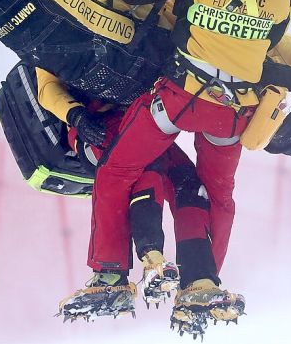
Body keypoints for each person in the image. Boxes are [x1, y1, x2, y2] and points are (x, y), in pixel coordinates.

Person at [73, 0, 291, 325]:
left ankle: (110, 276)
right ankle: (202, 284)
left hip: (181, 99)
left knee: (116, 170)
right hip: (235, 113)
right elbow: (270, 41)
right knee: (217, 194)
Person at [37, 69, 241, 336]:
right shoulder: (53, 43)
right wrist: (76, 115)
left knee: (189, 186)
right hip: (98, 127)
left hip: (142, 123)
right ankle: (114, 274)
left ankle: (198, 280)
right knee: (146, 168)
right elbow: (46, 87)